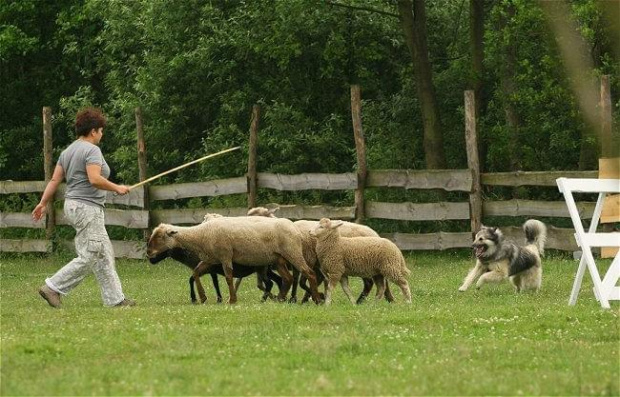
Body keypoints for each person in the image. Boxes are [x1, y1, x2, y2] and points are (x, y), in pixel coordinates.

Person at [32, 107, 135, 308]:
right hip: (87, 208)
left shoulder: (68, 151)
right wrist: (117, 188)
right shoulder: (92, 150)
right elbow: (95, 179)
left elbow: (55, 180)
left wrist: (43, 202)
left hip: (73, 206)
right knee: (91, 253)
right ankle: (53, 286)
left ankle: (115, 300)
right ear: (94, 131)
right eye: (101, 130)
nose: (102, 134)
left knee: (103, 253)